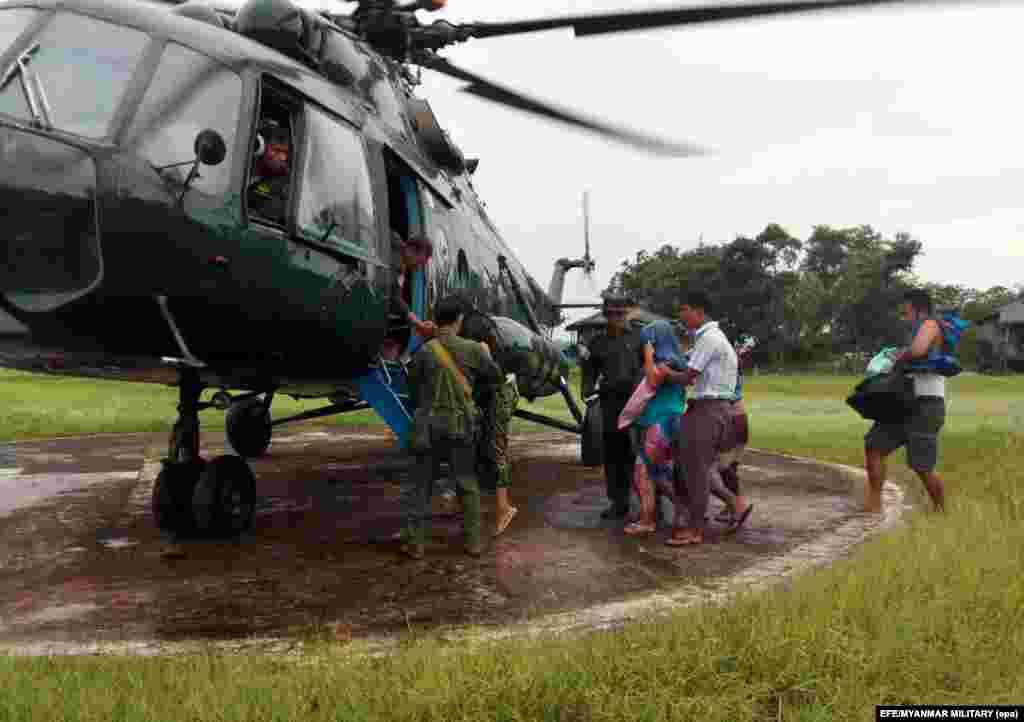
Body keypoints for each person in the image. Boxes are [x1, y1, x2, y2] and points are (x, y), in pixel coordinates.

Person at [400, 294, 500, 559]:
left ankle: (415, 545)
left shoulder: (422, 352)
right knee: (467, 483)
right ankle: (473, 542)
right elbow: (495, 379)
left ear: (436, 319)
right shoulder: (474, 350)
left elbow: (411, 392)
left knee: (420, 485)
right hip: (461, 426)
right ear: (459, 319)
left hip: (426, 427)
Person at [661, 290, 745, 546]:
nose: (681, 316)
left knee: (695, 472)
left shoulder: (709, 338)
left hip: (708, 410)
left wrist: (664, 373)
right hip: (712, 409)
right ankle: (705, 520)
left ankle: (695, 530)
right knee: (695, 469)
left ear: (699, 311)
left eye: (684, 310)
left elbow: (688, 376)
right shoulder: (711, 338)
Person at [863, 289, 948, 513]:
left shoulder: (930, 324)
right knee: (874, 445)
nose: (904, 316)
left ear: (918, 309)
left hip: (926, 404)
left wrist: (898, 356)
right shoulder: (917, 330)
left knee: (922, 465)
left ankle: (942, 510)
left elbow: (919, 350)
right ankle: (873, 506)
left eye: (906, 311)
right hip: (903, 402)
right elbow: (914, 351)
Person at [580, 294, 646, 520]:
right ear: (605, 314)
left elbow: (650, 367)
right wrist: (587, 392)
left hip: (638, 403)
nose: (616, 317)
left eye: (620, 313)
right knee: (613, 454)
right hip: (610, 403)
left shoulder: (639, 336)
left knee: (642, 453)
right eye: (611, 313)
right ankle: (619, 502)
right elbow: (589, 371)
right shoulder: (597, 342)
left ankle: (652, 501)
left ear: (627, 312)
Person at [622, 319, 686, 535]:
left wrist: (648, 354)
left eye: (647, 341)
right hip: (665, 422)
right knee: (655, 472)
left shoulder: (666, 362)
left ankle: (651, 519)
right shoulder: (678, 360)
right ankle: (677, 511)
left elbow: (652, 379)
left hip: (659, 424)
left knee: (646, 472)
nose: (643, 345)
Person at [715, 335, 756, 524]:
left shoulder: (726, 366)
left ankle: (738, 504)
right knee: (731, 467)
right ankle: (731, 507)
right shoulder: (735, 365)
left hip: (731, 418)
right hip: (741, 416)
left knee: (723, 466)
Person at [383, 232, 437, 359]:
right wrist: (419, 324)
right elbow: (395, 299)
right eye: (418, 262)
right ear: (411, 250)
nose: (417, 268)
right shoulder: (396, 261)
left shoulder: (394, 241)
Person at [248, 119, 291, 223]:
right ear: (261, 148)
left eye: (284, 152)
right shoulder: (245, 168)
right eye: (276, 150)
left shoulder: (285, 186)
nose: (281, 157)